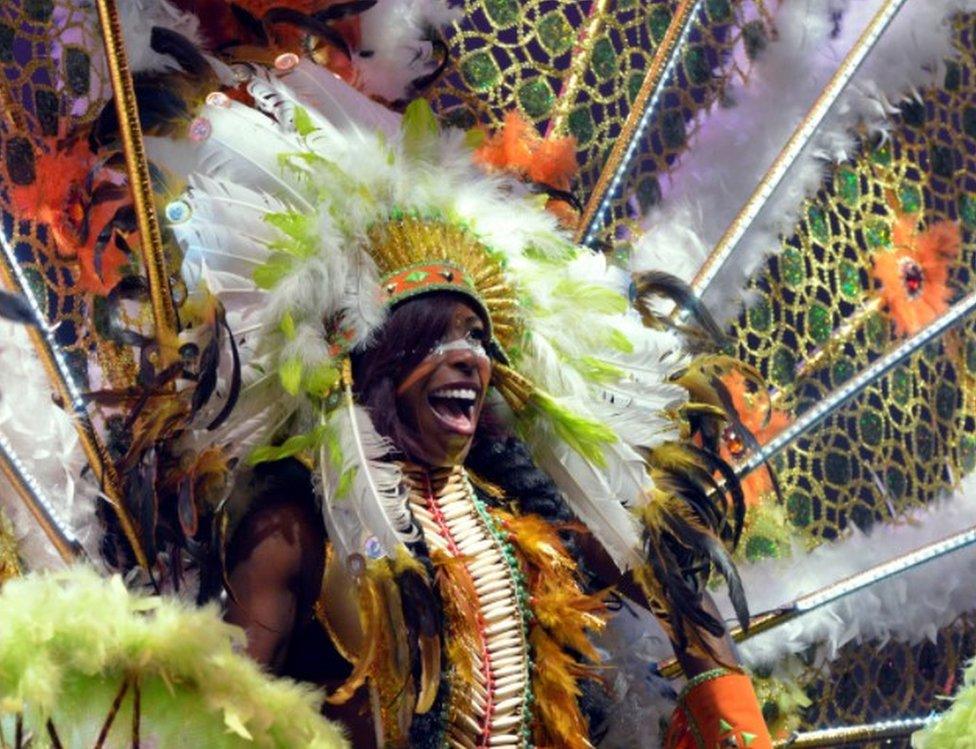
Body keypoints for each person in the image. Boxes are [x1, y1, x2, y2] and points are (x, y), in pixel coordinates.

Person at [156, 58, 773, 745]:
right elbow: (220, 722)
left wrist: (734, 720)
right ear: (376, 362)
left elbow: (670, 588)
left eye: (478, 337)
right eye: (432, 336)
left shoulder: (520, 518)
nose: (468, 357)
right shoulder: (294, 533)